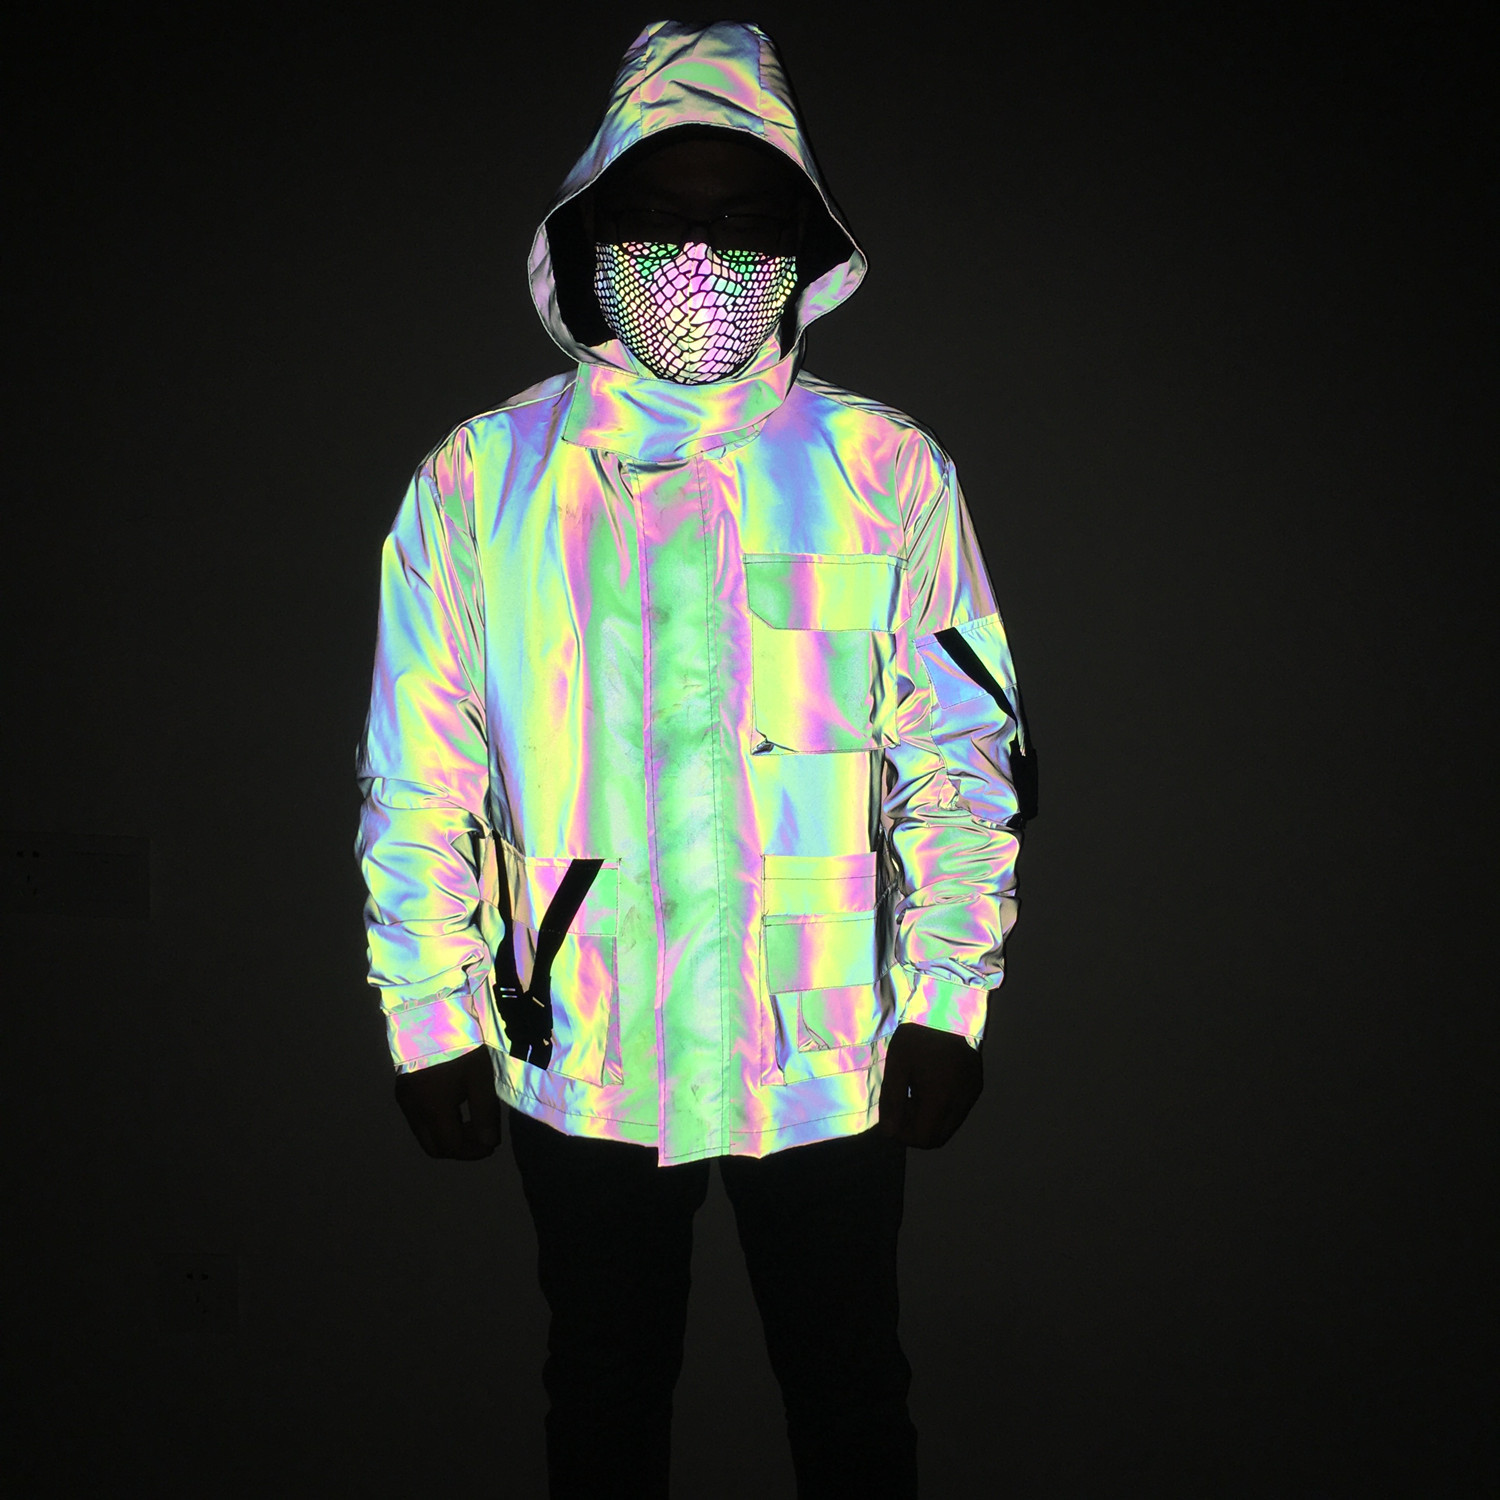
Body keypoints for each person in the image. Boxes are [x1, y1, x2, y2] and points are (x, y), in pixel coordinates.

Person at [355, 19, 1035, 1498]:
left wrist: (949, 1002)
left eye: (744, 225)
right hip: (579, 1043)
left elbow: (963, 756)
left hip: (830, 1047)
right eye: (662, 216)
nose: (700, 258)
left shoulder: (886, 472)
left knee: (853, 1397)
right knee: (600, 1397)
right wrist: (428, 1018)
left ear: (804, 246)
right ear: (590, 228)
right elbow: (420, 775)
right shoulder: (479, 482)